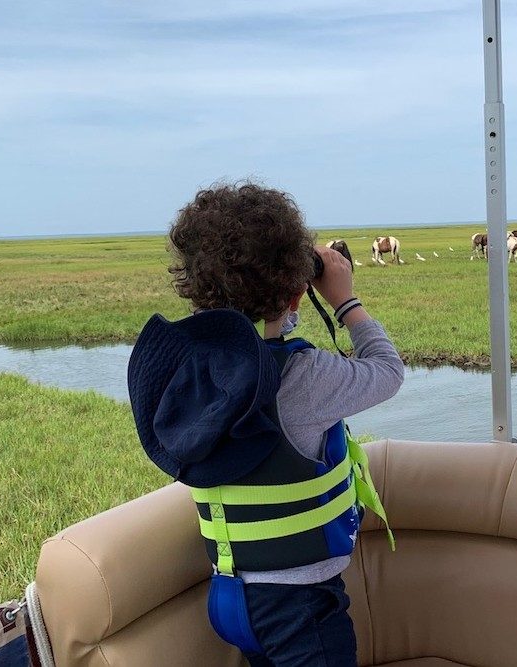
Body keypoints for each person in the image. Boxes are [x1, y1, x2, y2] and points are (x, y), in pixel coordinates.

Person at [127, 182, 404, 666]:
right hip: (301, 605)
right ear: (297, 294)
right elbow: (387, 370)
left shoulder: (186, 376)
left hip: (230, 595)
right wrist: (344, 300)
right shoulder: (304, 375)